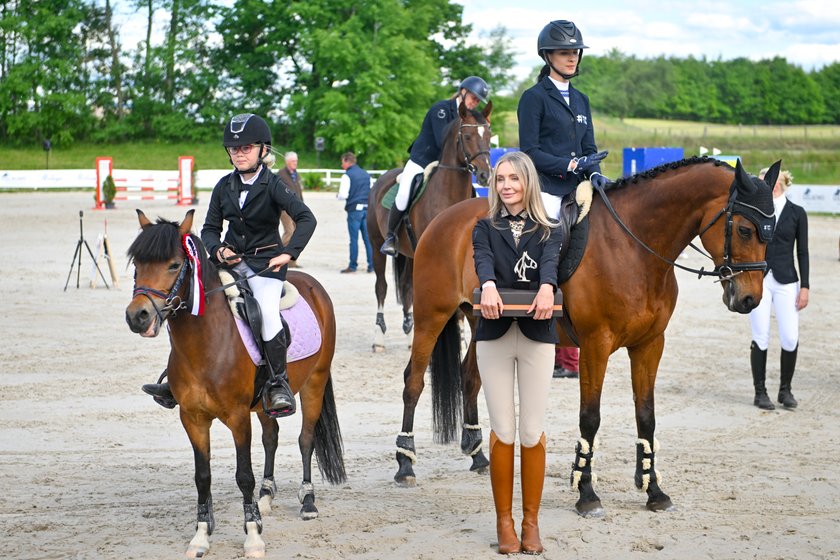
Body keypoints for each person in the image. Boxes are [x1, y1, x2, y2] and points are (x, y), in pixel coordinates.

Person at [142, 113, 316, 419]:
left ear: (263, 150)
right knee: (190, 303)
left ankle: (277, 383)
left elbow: (306, 218)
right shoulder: (224, 186)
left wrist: (288, 253)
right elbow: (209, 228)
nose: (239, 153)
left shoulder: (274, 185)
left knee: (265, 311)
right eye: (234, 149)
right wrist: (218, 248)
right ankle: (177, 377)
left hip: (266, 267)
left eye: (246, 148)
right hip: (229, 264)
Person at [473, 151, 562, 555]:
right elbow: (484, 259)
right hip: (493, 335)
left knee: (531, 430)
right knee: (503, 430)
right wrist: (487, 284)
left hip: (536, 336)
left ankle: (531, 522)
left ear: (528, 182)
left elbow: (550, 265)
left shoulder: (551, 229)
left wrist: (547, 287)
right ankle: (504, 522)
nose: (506, 185)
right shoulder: (483, 226)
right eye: (500, 179)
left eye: (514, 178)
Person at [380, 76, 491, 256]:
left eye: (478, 100)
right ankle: (391, 237)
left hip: (450, 165)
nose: (475, 102)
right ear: (462, 92)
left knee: (470, 193)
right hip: (423, 160)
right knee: (404, 191)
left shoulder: (471, 117)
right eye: (473, 97)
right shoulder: (440, 110)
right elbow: (443, 142)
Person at [517, 19, 610, 221]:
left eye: (575, 52)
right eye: (564, 53)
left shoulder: (581, 100)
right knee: (549, 240)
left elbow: (589, 150)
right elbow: (529, 152)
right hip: (546, 189)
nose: (572, 59)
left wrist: (594, 174)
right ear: (548, 56)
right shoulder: (533, 97)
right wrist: (571, 164)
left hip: (578, 187)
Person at [748, 167, 809, 410]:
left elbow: (802, 252)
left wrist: (805, 287)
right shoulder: (757, 211)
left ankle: (786, 390)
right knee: (760, 334)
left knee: (790, 336)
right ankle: (760, 392)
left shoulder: (797, 213)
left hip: (787, 280)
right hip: (760, 279)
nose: (766, 186)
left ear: (779, 184)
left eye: (768, 182)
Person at [337, 152, 374, 273]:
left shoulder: (347, 175)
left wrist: (338, 196)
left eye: (342, 162)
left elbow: (343, 195)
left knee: (353, 239)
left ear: (347, 161)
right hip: (367, 209)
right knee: (368, 239)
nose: (342, 165)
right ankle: (371, 265)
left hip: (354, 211)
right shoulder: (366, 174)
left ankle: (353, 265)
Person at [276, 151, 304, 266]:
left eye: (296, 161)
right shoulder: (281, 174)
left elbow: (299, 191)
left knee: (296, 233)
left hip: (296, 207)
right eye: (293, 161)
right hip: (284, 209)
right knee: (289, 232)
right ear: (287, 162)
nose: (295, 163)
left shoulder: (296, 174)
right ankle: (279, 257)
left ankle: (292, 261)